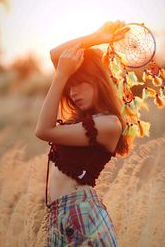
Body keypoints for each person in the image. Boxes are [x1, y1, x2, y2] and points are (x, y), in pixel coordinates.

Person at [35, 20, 131, 246]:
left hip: (81, 215)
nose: (73, 92)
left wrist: (61, 77)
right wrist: (95, 38)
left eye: (80, 83)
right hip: (60, 217)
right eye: (70, 85)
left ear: (98, 81)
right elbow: (55, 54)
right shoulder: (83, 120)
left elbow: (43, 130)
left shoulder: (109, 124)